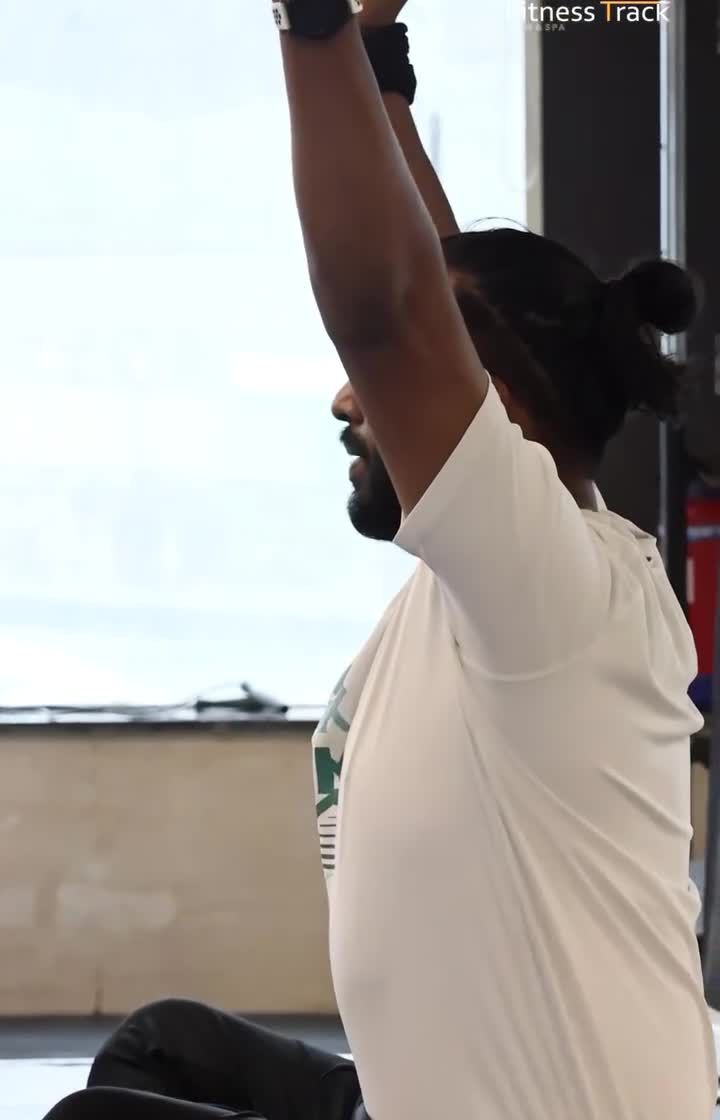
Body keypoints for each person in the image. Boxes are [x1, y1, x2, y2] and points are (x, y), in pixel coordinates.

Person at [45, 0, 717, 1118]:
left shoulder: (549, 597)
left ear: (493, 409)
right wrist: (373, 59)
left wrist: (308, 24)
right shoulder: (523, 563)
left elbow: (396, 309)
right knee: (164, 1049)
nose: (349, 400)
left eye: (383, 380)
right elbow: (442, 287)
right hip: (414, 1093)